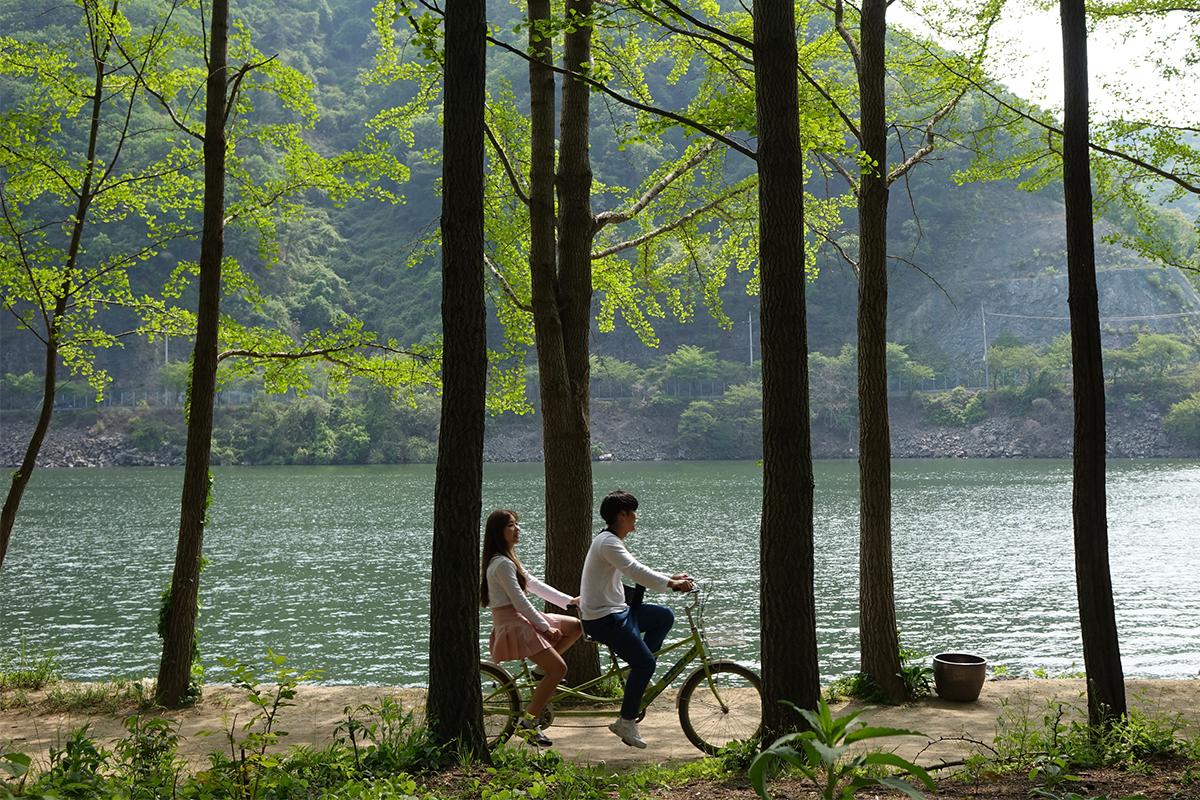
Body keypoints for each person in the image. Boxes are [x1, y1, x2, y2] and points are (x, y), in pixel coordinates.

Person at [579, 489, 694, 749]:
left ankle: (636, 670)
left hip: (618, 611)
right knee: (646, 665)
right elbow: (635, 570)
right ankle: (626, 721)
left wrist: (672, 578)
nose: (636, 518)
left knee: (663, 617)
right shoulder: (608, 542)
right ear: (621, 515)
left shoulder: (610, 541)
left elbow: (637, 569)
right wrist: (673, 584)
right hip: (603, 619)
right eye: (633, 513)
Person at [481, 509, 582, 747]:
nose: (517, 529)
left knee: (576, 626)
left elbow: (533, 584)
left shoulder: (508, 558)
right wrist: (544, 627)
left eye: (517, 524)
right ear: (498, 532)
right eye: (511, 526)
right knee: (558, 669)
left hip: (520, 618)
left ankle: (539, 671)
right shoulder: (501, 564)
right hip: (513, 622)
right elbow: (520, 601)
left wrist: (569, 601)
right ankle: (528, 723)